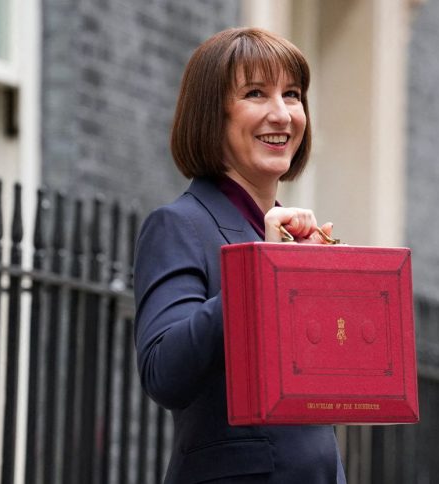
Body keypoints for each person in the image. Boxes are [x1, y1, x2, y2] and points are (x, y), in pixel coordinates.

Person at [133, 27, 346, 483]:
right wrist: (260, 271)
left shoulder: (292, 236)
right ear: (213, 116)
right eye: (255, 93)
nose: (282, 114)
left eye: (292, 94)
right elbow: (164, 372)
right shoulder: (179, 225)